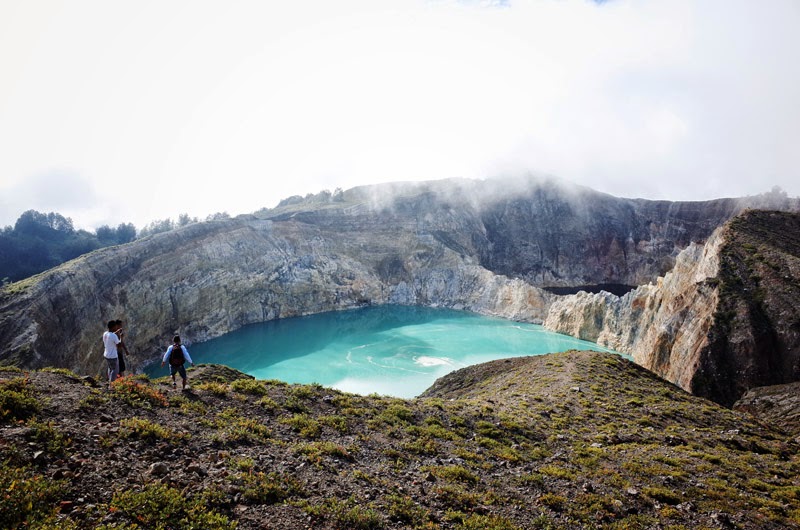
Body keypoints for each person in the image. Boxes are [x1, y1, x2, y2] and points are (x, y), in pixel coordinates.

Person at [102, 320, 121, 386]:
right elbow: (119, 345)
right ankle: (111, 385)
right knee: (115, 371)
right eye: (115, 326)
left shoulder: (105, 334)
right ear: (113, 327)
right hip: (113, 356)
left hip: (106, 354)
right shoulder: (114, 336)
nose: (116, 327)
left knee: (110, 368)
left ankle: (109, 381)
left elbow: (110, 337)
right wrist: (119, 335)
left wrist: (115, 333)